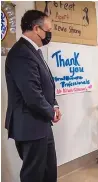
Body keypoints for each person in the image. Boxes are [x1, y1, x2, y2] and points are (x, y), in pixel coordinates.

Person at [5, 10, 61, 182]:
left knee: (48, 171)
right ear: (36, 29)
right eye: (48, 30)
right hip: (30, 126)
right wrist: (50, 111)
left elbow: (46, 84)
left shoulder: (34, 51)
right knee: (34, 175)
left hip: (42, 123)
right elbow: (32, 94)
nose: (49, 34)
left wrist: (55, 105)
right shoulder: (21, 53)